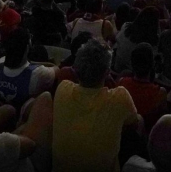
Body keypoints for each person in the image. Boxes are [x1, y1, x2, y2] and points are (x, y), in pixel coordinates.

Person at [52, 38, 142, 172]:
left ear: (76, 69)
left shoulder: (62, 89)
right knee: (139, 120)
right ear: (107, 73)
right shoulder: (120, 97)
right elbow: (134, 122)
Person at [0, 28, 55, 108]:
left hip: (0, 108)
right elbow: (58, 70)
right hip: (24, 113)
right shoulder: (37, 73)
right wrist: (39, 63)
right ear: (27, 47)